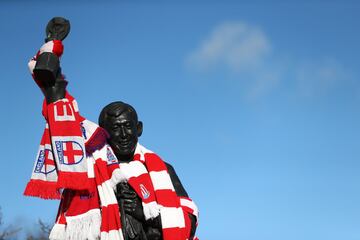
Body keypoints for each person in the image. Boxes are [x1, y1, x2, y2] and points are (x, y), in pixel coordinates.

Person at [24, 17, 198, 240]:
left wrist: (143, 211)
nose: (123, 134)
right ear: (103, 132)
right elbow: (60, 106)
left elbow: (189, 219)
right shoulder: (88, 161)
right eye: (115, 128)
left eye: (128, 127)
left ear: (140, 129)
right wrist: (52, 49)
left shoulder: (162, 168)